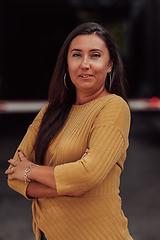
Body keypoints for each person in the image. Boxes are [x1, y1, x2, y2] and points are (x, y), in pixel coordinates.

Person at [5, 22, 133, 240]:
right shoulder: (50, 112)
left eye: (95, 55)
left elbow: (87, 174)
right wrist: (69, 185)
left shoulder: (113, 107)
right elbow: (13, 176)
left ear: (110, 64)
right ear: (66, 63)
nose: (85, 64)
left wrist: (31, 170)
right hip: (48, 233)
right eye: (76, 55)